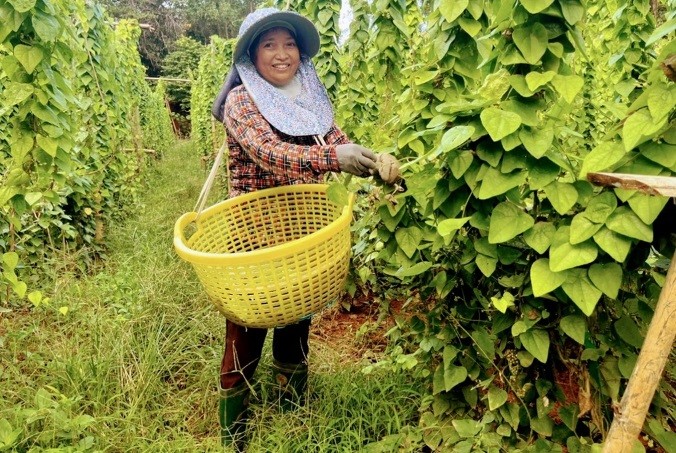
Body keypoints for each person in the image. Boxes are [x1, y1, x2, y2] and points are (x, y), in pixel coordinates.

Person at [210, 7, 378, 448]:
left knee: (296, 313)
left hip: (304, 231)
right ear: (251, 55)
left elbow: (336, 142)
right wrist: (332, 160)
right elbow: (271, 154)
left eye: (289, 45)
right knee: (248, 322)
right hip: (255, 235)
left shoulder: (307, 98)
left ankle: (291, 409)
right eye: (269, 45)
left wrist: (376, 162)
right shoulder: (241, 102)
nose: (282, 54)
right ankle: (236, 425)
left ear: (300, 53)